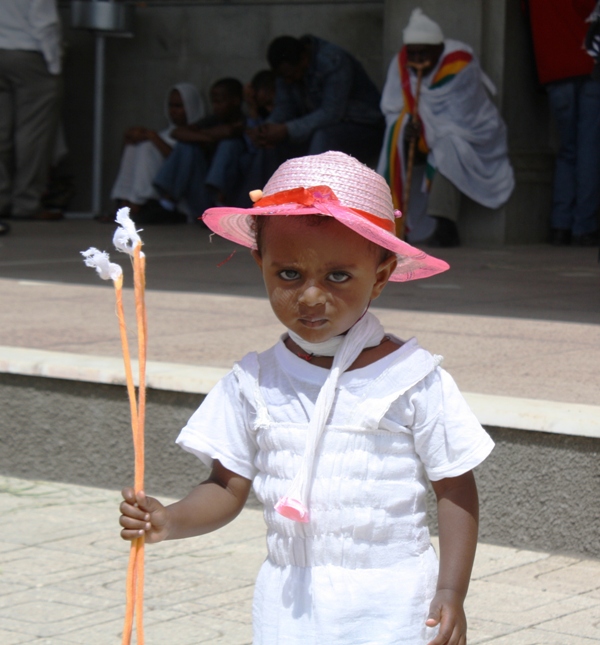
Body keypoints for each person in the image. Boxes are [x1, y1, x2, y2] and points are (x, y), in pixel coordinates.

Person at [119, 151, 494, 644]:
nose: (311, 296)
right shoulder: (254, 381)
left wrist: (451, 589)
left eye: (338, 276)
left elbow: (455, 487)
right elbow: (226, 487)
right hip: (289, 603)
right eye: (288, 274)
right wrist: (169, 519)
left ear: (380, 275)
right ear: (261, 264)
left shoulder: (412, 377)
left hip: (394, 600)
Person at [377, 9, 514, 247]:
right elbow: (391, 106)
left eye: (424, 53)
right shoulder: (401, 63)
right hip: (421, 134)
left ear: (439, 49)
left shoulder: (460, 64)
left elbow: (460, 119)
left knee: (447, 146)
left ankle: (444, 225)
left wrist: (425, 132)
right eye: (414, 54)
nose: (418, 60)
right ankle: (395, 222)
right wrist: (409, 128)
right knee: (397, 131)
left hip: (471, 133)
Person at [528, 0, 600, 246]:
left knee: (568, 150)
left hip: (553, 70)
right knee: (589, 150)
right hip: (589, 66)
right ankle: (584, 227)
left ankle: (560, 225)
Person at [252, 35, 385, 168]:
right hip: (319, 128)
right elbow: (285, 107)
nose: (288, 81)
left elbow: (331, 113)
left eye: (291, 75)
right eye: (284, 78)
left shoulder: (332, 60)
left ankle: (310, 187)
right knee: (269, 143)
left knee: (323, 137)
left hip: (365, 128)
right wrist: (268, 128)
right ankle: (258, 188)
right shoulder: (286, 72)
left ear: (304, 59)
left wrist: (287, 130)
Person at [0, 0, 63, 222]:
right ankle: (26, 202)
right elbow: (44, 22)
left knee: (2, 132)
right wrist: (54, 65)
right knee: (33, 134)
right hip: (28, 51)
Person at [152, 77, 246, 221]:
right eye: (213, 102)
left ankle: (220, 206)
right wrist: (210, 137)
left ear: (235, 101)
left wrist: (212, 135)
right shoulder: (212, 120)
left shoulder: (245, 122)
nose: (216, 107)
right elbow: (177, 133)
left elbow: (229, 132)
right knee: (187, 146)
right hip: (204, 198)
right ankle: (168, 204)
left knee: (229, 144)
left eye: (219, 102)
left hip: (233, 199)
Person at [108, 83, 204, 222]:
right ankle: (124, 203)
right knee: (137, 146)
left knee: (147, 147)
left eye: (178, 106)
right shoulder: (165, 134)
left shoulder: (199, 134)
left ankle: (137, 205)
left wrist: (153, 137)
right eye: (171, 106)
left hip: (180, 198)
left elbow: (179, 162)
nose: (173, 111)